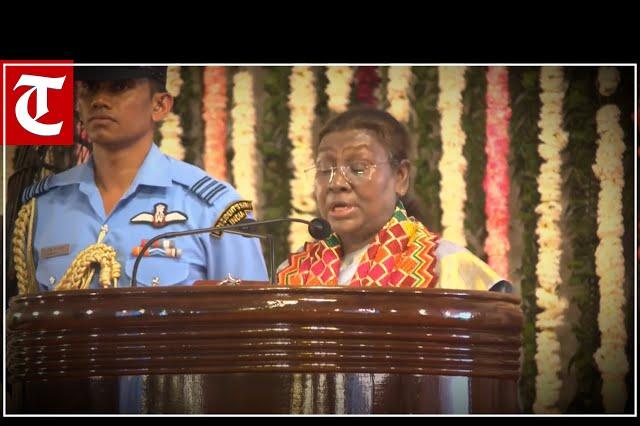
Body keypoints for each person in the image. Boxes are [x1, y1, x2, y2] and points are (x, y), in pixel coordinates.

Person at [12, 66, 267, 294]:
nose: (99, 101)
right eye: (89, 88)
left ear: (160, 105)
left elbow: (252, 322)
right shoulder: (42, 207)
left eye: (119, 87)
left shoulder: (213, 208)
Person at [277, 107, 512, 292]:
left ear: (400, 177)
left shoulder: (448, 267)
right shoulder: (294, 272)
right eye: (324, 169)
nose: (336, 183)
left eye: (358, 168)